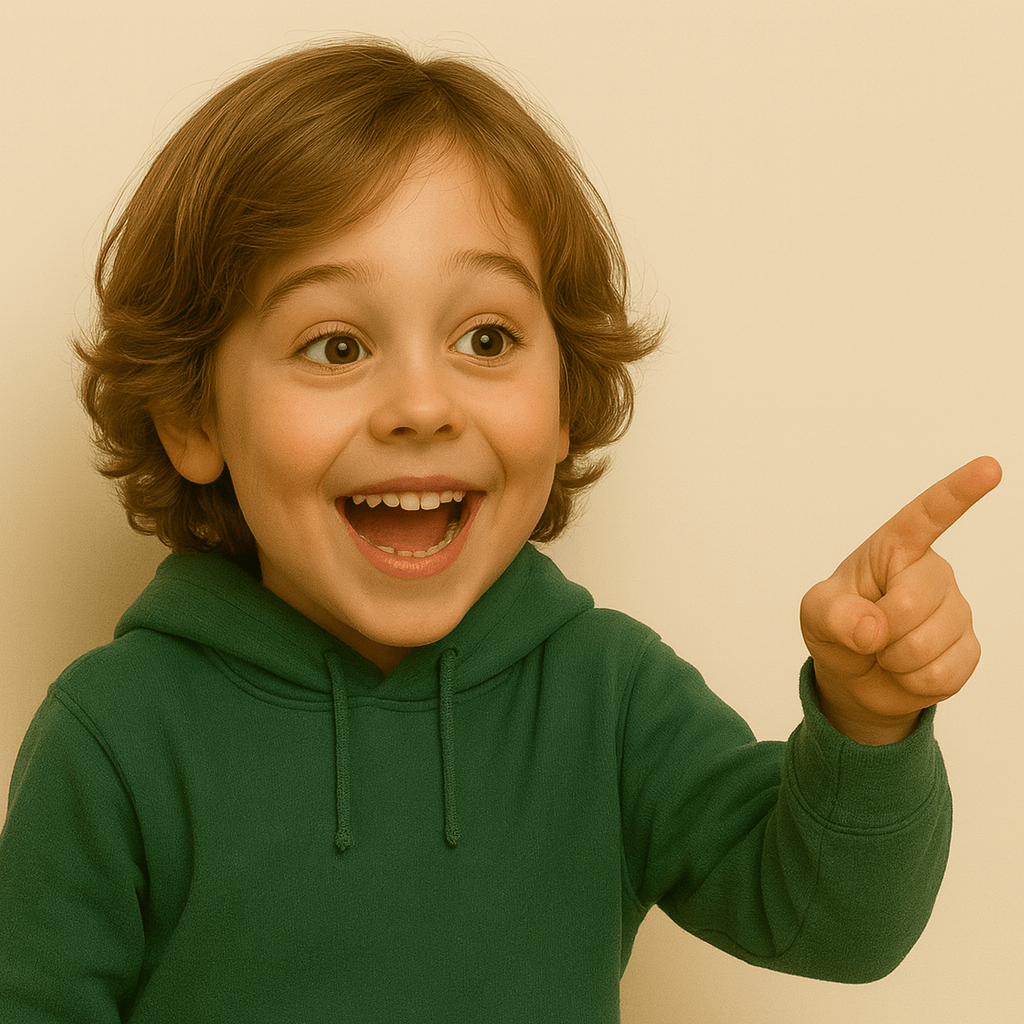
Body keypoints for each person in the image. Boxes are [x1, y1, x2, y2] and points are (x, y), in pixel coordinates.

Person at [0, 38, 1002, 1023]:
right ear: (193, 417)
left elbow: (835, 923)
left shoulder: (610, 694)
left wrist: (867, 718)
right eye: (336, 344)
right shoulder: (114, 734)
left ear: (565, 396)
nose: (421, 404)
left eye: (486, 338)